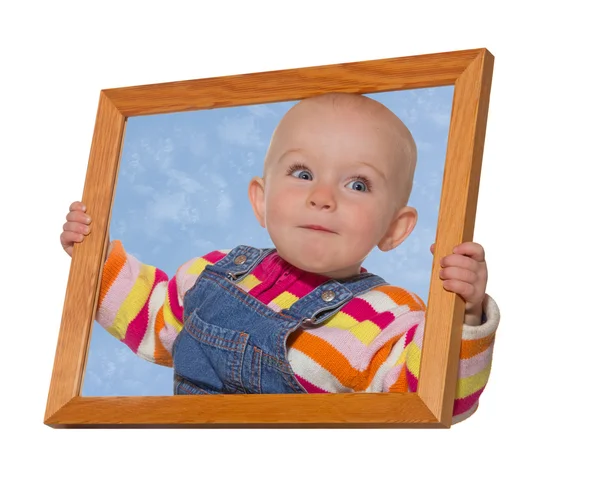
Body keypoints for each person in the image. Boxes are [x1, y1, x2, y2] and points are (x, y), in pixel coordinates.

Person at [60, 92, 500, 424]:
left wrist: (464, 314)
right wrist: (91, 259)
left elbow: (440, 399)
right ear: (261, 201)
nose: (322, 197)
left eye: (358, 184)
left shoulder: (390, 319)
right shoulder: (211, 272)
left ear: (394, 228)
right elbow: (149, 312)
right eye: (303, 173)